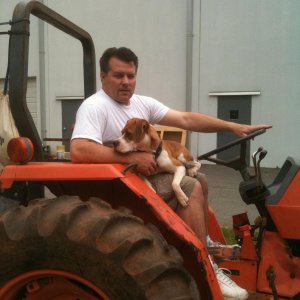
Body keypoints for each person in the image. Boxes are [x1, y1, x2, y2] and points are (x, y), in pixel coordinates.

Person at [70, 47, 271, 299]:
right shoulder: (95, 106)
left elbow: (186, 119)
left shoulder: (141, 104)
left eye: (130, 76)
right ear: (103, 76)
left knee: (201, 177)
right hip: (126, 182)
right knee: (190, 186)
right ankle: (204, 266)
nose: (126, 82)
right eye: (118, 75)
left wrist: (232, 126)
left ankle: (202, 241)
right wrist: (133, 157)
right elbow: (79, 149)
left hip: (147, 175)